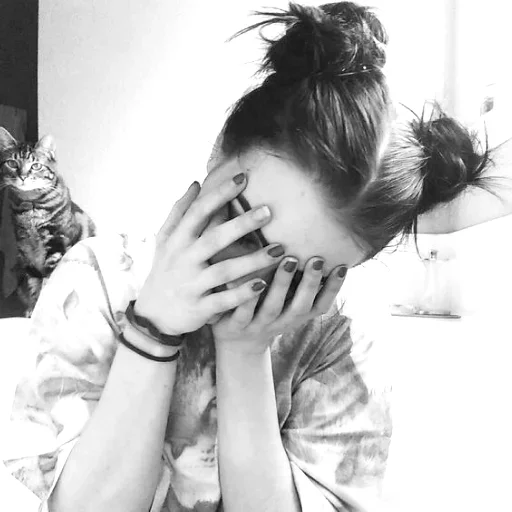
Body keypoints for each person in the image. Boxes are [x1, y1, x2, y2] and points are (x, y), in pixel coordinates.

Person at [2, 2, 492, 512]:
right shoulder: (96, 278)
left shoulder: (342, 339)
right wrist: (152, 331)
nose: (250, 275)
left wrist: (245, 351)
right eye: (241, 225)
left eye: (297, 272)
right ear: (218, 150)